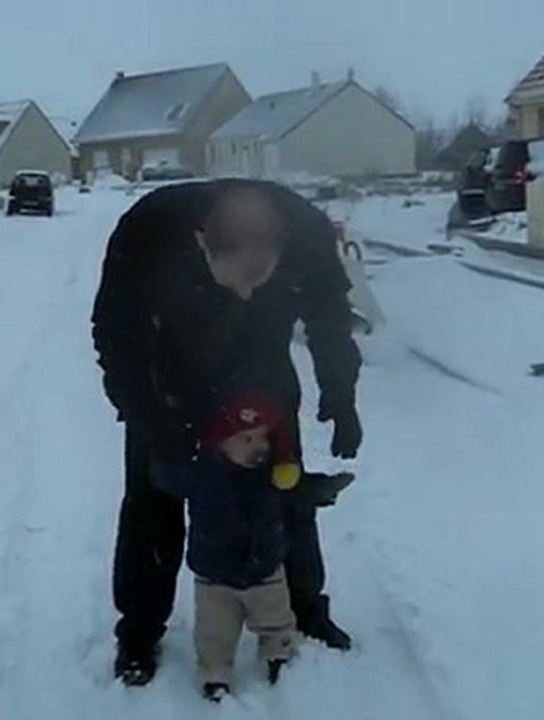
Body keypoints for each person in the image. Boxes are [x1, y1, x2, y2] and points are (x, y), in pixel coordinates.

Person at [92, 179, 363, 686]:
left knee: (283, 491)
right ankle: (139, 632)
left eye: (262, 279)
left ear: (282, 247)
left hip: (261, 376)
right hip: (170, 377)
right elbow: (116, 338)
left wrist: (340, 393)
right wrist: (152, 421)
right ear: (202, 243)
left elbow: (330, 316)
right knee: (153, 503)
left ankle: (304, 607)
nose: (248, 292)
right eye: (239, 277)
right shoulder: (148, 232)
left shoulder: (306, 233)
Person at [152, 390, 302, 702]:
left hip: (265, 568)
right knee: (214, 633)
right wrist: (162, 454)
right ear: (220, 442)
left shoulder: (272, 473)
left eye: (262, 438)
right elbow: (167, 477)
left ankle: (277, 653)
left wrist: (316, 487)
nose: (258, 447)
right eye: (246, 439)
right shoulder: (201, 475)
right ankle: (215, 672)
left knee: (275, 619)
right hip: (214, 575)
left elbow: (299, 491)